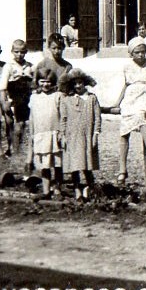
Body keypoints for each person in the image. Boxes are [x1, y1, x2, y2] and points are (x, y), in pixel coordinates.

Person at [115, 39, 146, 188]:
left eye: (143, 52)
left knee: (142, 117)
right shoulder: (127, 66)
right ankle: (122, 168)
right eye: (137, 52)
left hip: (145, 95)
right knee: (123, 131)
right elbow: (125, 85)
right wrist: (117, 103)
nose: (140, 55)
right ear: (131, 53)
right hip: (130, 97)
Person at [58, 69, 101, 202]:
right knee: (74, 165)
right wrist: (63, 135)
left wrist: (95, 134)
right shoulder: (66, 100)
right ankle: (77, 191)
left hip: (87, 135)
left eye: (80, 83)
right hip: (72, 137)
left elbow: (98, 118)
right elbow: (63, 119)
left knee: (87, 164)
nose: (78, 86)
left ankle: (91, 188)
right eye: (75, 83)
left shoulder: (91, 98)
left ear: (85, 83)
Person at [28, 73, 63, 196]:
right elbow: (32, 117)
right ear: (37, 81)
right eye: (42, 81)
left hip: (54, 133)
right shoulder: (34, 97)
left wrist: (61, 132)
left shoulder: (57, 96)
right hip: (40, 134)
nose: (45, 84)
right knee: (45, 165)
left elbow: (62, 115)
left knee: (58, 164)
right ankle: (46, 190)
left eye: (48, 81)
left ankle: (58, 189)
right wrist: (32, 134)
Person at [3, 40, 36, 161]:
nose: (19, 55)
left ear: (26, 52)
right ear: (12, 52)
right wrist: (5, 101)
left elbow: (33, 82)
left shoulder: (30, 66)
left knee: (23, 124)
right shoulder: (9, 66)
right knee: (12, 124)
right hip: (13, 96)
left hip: (25, 97)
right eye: (16, 52)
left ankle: (20, 149)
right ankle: (12, 147)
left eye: (22, 52)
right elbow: (2, 86)